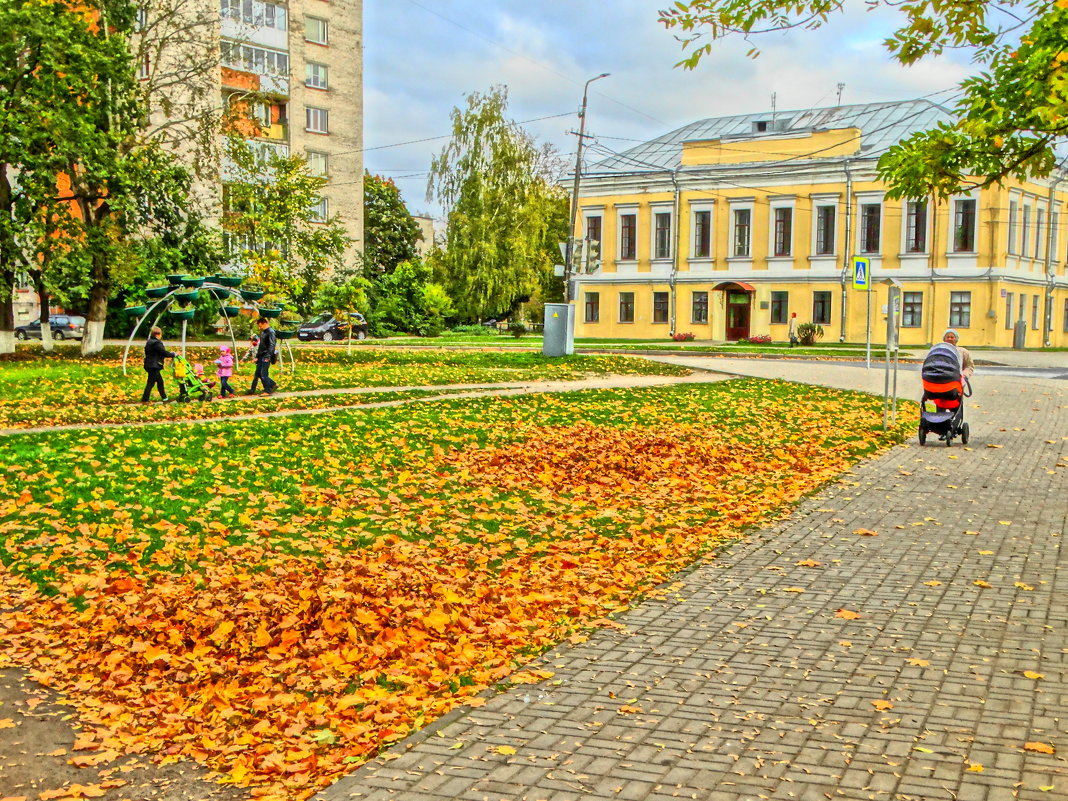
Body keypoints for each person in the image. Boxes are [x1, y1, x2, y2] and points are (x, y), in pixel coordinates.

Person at [141, 327, 175, 403]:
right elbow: (163, 352)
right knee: (152, 383)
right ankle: (145, 400)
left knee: (157, 382)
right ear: (158, 334)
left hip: (149, 364)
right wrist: (173, 354)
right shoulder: (156, 343)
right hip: (154, 365)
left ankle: (164, 399)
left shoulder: (150, 341)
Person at [249, 317, 277, 395]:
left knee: (263, 373)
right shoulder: (263, 332)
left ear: (265, 323)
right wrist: (257, 357)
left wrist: (268, 356)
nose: (259, 328)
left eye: (260, 326)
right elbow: (261, 346)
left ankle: (267, 390)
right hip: (261, 355)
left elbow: (272, 345)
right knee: (258, 373)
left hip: (266, 355)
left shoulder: (270, 332)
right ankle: (272, 384)